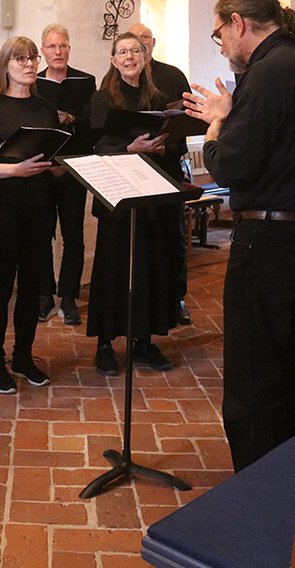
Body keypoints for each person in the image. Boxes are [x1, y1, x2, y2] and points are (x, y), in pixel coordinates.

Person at [183, 0, 295, 471]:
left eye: (219, 35)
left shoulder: (265, 74)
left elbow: (232, 166)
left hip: (268, 240)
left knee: (254, 375)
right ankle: (290, 476)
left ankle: (253, 493)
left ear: (237, 23)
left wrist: (217, 125)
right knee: (291, 361)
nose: (223, 46)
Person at [86, 32, 183, 374]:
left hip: (152, 197)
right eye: (122, 52)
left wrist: (161, 148)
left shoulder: (158, 96)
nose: (129, 57)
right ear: (113, 61)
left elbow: (178, 145)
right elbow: (94, 147)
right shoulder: (103, 98)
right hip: (117, 196)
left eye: (135, 51)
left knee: (149, 267)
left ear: (145, 58)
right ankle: (105, 345)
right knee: (113, 268)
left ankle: (143, 341)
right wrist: (128, 150)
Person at [0, 36, 57, 394]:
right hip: (1, 208)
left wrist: (59, 165)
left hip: (39, 204)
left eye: (33, 58)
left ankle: (22, 356)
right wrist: (13, 171)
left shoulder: (45, 108)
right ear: (5, 64)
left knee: (33, 286)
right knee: (2, 286)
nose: (29, 64)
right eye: (21, 59)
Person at [127, 21, 192, 325]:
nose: (138, 47)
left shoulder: (173, 75)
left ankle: (176, 297)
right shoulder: (118, 82)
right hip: (133, 176)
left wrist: (166, 149)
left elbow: (186, 124)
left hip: (167, 170)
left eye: (144, 40)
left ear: (152, 43)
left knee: (174, 237)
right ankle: (144, 301)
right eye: (131, 42)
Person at [36, 23, 95, 326]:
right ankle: (45, 294)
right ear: (42, 50)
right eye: (52, 47)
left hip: (73, 167)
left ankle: (69, 295)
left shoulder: (85, 81)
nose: (58, 52)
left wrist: (71, 118)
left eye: (63, 46)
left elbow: (95, 124)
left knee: (73, 235)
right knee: (42, 234)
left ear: (69, 48)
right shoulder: (32, 81)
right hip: (43, 169)